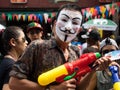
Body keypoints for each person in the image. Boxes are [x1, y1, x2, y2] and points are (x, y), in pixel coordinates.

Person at [9, 4, 116, 90]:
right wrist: (51, 88)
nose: (68, 27)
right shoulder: (37, 47)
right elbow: (14, 83)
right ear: (55, 23)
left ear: (78, 29)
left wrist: (93, 70)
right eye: (64, 20)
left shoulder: (75, 52)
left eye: (75, 22)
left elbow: (78, 87)